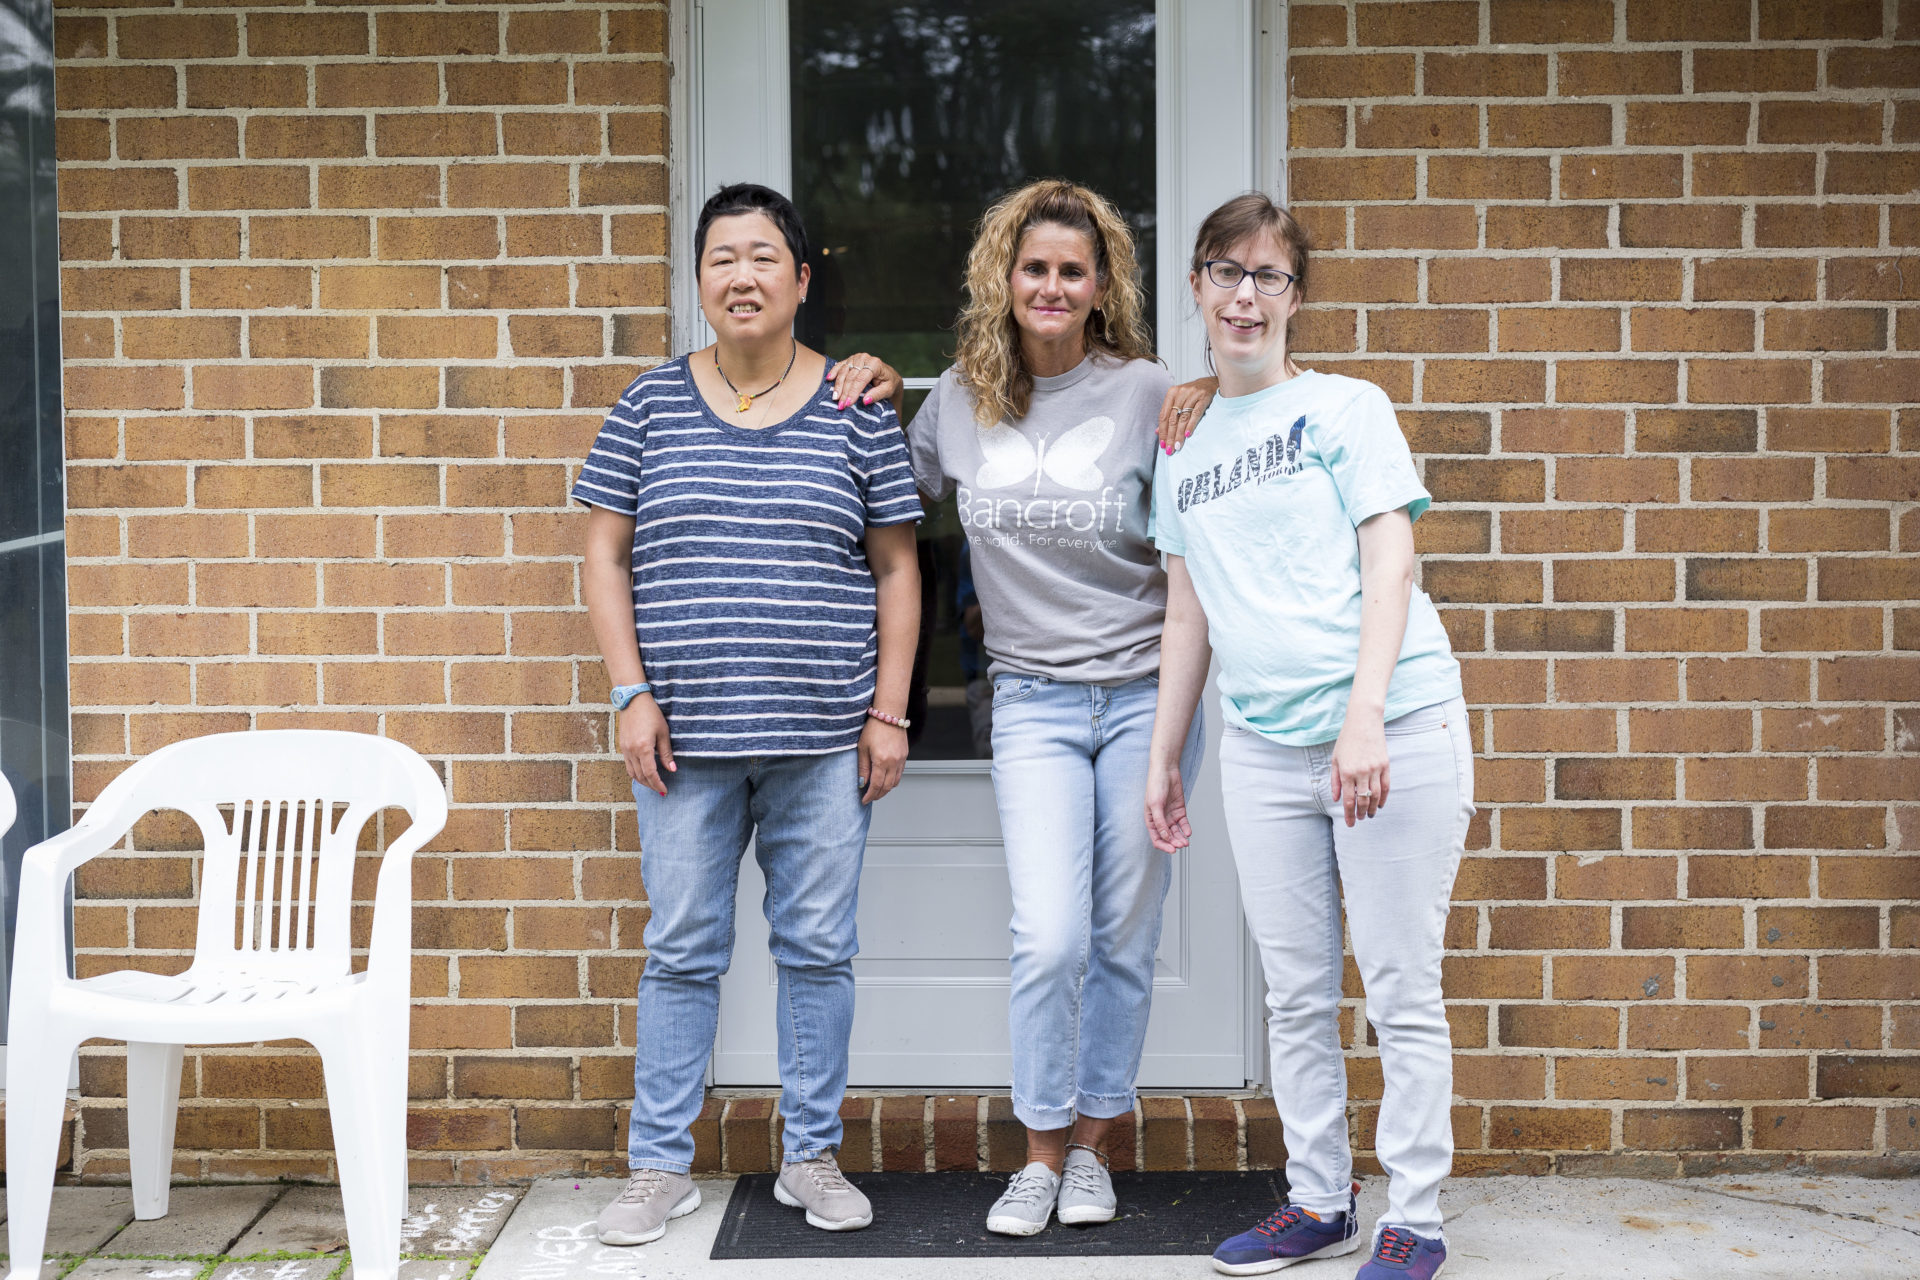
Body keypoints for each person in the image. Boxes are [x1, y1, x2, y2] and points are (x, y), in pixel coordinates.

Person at [846, 178, 1207, 1236]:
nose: (1052, 285)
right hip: (1035, 701)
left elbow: (1217, 504)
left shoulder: (1152, 395)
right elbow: (882, 499)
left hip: (1145, 694)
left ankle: (1095, 1146)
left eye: (1072, 270)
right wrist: (859, 374)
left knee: (1123, 935)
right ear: (1004, 278)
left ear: (1102, 287)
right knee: (1050, 934)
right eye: (1034, 266)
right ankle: (1040, 1152)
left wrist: (1221, 395)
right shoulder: (957, 396)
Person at [574, 183, 922, 1245]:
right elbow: (602, 550)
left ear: (802, 279)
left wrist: (891, 712)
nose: (742, 275)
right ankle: (657, 1165)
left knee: (816, 948)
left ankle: (808, 1156)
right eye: (721, 257)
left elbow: (898, 566)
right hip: (683, 739)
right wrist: (630, 693)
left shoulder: (857, 408)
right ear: (698, 281)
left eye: (764, 256)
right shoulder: (648, 404)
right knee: (682, 945)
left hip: (823, 736)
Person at [1144, 192, 1470, 1280]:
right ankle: (1317, 1199)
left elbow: (1393, 559)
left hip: (1393, 727)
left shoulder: (1347, 408)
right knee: (1295, 991)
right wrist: (1164, 754)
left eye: (1268, 276)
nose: (1245, 294)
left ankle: (1415, 1215)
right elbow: (1188, 613)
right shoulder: (1183, 446)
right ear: (1196, 287)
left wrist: (1364, 714)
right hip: (1263, 748)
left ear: (1295, 295)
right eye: (1225, 272)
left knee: (1396, 982)